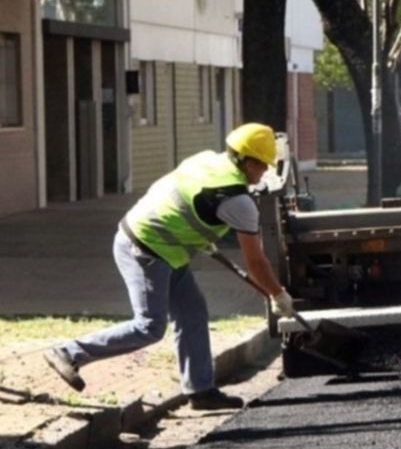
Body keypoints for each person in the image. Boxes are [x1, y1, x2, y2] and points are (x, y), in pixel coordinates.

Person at [44, 123, 298, 410]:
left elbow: (172, 193)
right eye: (262, 166)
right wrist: (278, 295)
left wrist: (195, 234)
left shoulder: (207, 160)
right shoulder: (238, 201)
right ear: (247, 160)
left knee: (192, 312)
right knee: (149, 327)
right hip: (144, 249)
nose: (263, 172)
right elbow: (256, 262)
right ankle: (69, 352)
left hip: (163, 247)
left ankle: (201, 391)